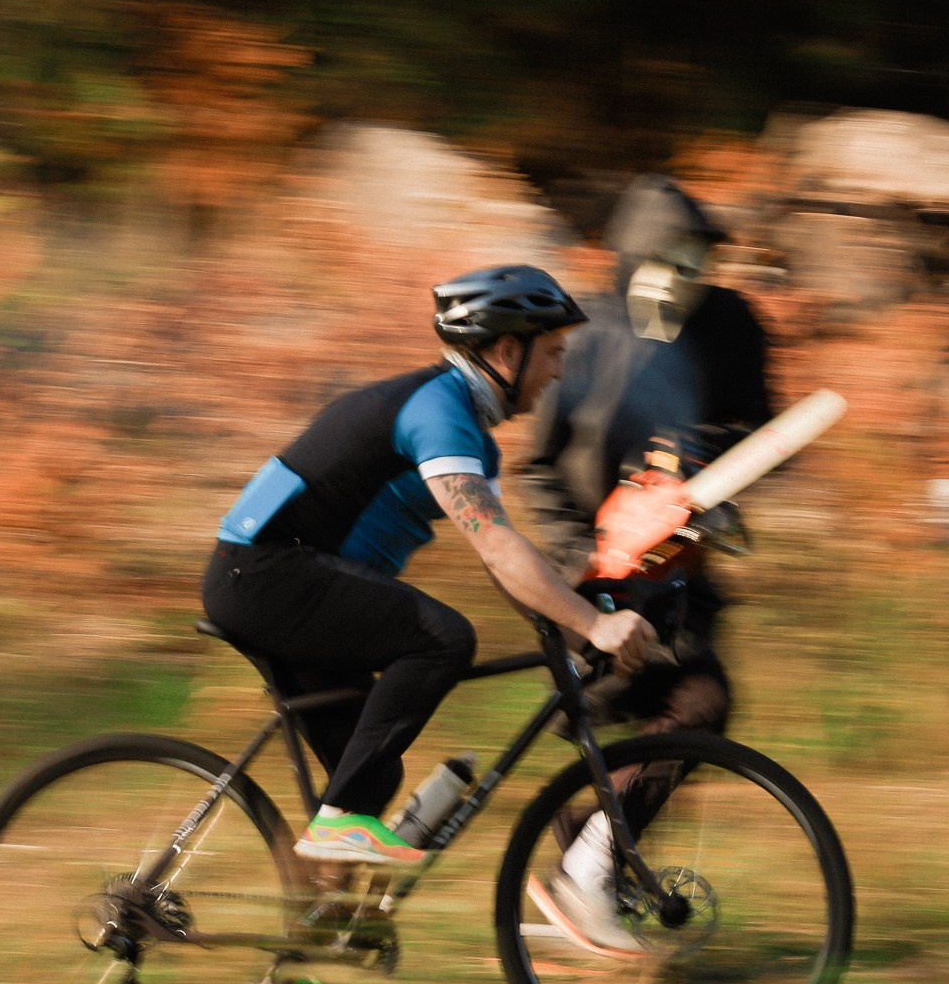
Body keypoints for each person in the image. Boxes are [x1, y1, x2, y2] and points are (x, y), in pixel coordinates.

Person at [202, 265, 656, 867]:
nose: (559, 372)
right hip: (265, 576)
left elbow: (502, 557)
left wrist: (573, 624)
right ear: (506, 349)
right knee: (443, 639)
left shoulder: (466, 430)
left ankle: (321, 940)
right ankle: (337, 831)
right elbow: (494, 544)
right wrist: (591, 625)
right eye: (552, 353)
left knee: (367, 782)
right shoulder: (436, 410)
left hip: (275, 582)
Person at [517, 175, 775, 955]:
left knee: (693, 712)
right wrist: (588, 557)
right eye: (665, 261)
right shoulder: (586, 337)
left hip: (683, 583)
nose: (682, 280)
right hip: (593, 583)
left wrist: (709, 484)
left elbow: (759, 433)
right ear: (630, 260)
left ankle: (582, 876)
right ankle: (585, 876)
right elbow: (535, 472)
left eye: (696, 262)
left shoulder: (729, 326)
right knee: (679, 715)